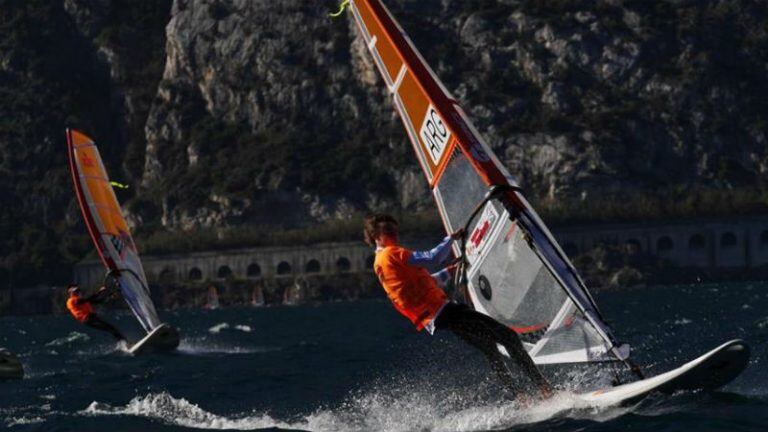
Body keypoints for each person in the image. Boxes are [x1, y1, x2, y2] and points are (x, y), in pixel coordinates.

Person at [364, 214, 552, 399]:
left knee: (490, 348)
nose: (394, 234)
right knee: (508, 337)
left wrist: (451, 270)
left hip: (437, 318)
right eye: (388, 231)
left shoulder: (380, 263)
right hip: (445, 312)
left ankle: (520, 396)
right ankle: (545, 389)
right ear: (375, 236)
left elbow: (427, 282)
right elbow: (432, 258)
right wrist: (451, 239)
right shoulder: (393, 254)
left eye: (395, 230)